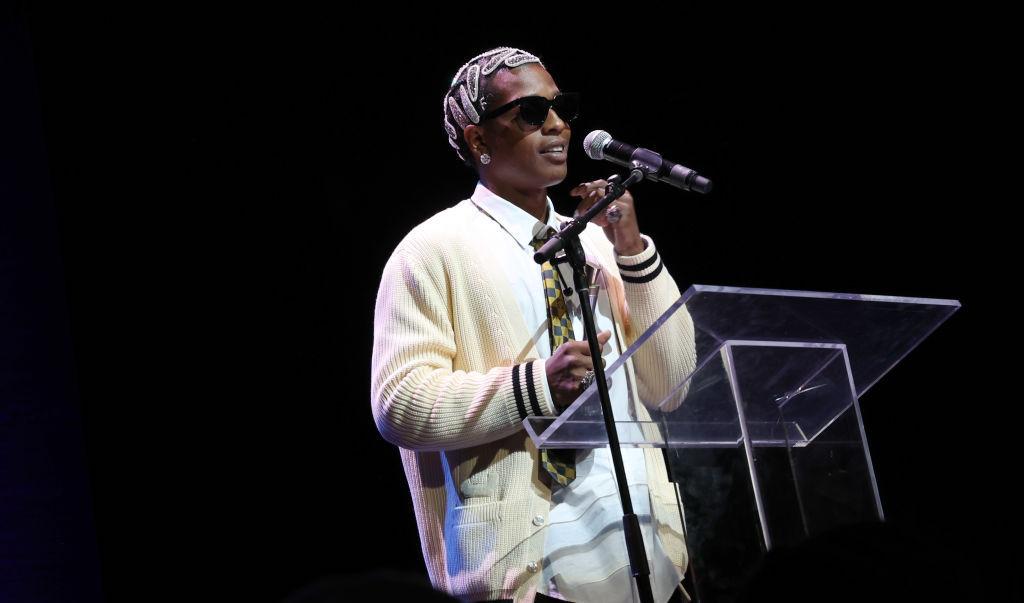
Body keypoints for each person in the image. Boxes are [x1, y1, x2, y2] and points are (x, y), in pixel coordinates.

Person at [371, 47, 697, 602]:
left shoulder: (596, 240)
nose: (558, 126)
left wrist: (634, 251)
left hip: (648, 551)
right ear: (478, 141)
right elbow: (399, 404)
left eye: (560, 107)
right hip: (528, 570)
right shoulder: (432, 250)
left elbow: (672, 384)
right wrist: (536, 386)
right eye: (530, 113)